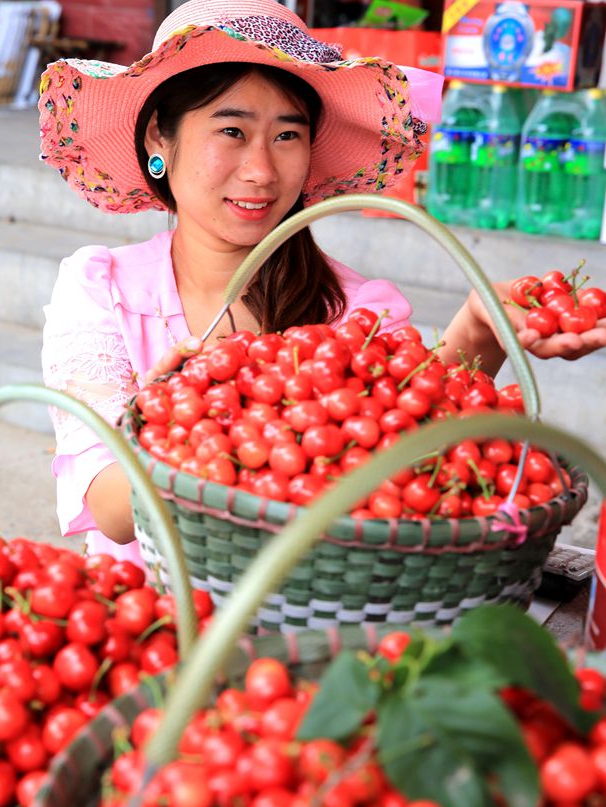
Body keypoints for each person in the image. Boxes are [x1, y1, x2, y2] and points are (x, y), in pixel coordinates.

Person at [40, 0, 606, 567]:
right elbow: (114, 511)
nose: (261, 170)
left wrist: (478, 330)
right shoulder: (100, 290)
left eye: (288, 135)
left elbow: (406, 465)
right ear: (160, 140)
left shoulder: (356, 312)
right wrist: (169, 416)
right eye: (232, 130)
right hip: (152, 623)